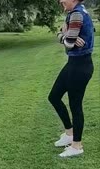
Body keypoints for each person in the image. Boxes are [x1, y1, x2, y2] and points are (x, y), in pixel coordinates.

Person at [48, 0, 94, 158]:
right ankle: (69, 134)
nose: (60, 0)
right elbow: (70, 40)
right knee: (54, 97)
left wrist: (62, 35)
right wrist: (66, 35)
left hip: (80, 67)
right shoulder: (77, 12)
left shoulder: (76, 14)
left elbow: (68, 42)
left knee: (75, 106)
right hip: (74, 64)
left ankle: (77, 145)